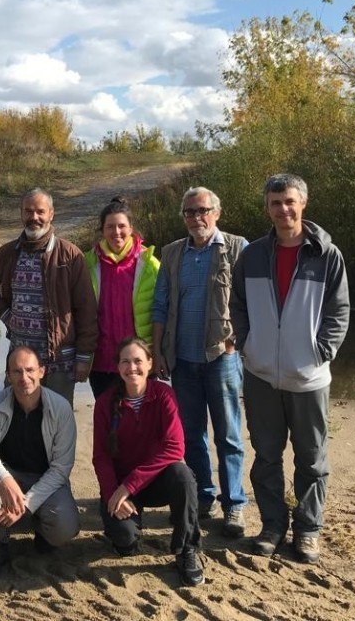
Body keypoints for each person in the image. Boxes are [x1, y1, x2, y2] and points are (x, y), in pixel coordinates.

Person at [231, 173, 350, 564]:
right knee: (265, 455)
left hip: (309, 377)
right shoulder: (251, 256)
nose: (283, 209)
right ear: (267, 208)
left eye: (289, 201)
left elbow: (338, 311)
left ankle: (308, 530)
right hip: (262, 374)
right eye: (275, 203)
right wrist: (249, 345)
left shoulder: (326, 255)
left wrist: (322, 350)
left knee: (311, 459)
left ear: (303, 204)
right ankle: (271, 526)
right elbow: (239, 307)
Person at [151, 186, 249, 538]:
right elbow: (160, 304)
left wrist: (236, 341)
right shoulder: (172, 253)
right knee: (191, 436)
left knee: (229, 435)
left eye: (202, 210)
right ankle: (203, 497)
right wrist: (159, 350)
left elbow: (251, 300)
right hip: (182, 361)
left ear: (217, 212)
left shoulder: (238, 248)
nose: (196, 218)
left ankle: (234, 504)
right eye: (190, 212)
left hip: (221, 358)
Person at [93, 337, 205, 586]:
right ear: (117, 367)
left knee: (183, 476)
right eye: (125, 362)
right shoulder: (104, 403)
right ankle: (129, 530)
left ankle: (187, 549)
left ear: (150, 363)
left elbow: (175, 448)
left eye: (138, 361)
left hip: (154, 482)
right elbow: (101, 457)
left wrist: (129, 485)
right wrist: (113, 492)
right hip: (122, 488)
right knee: (125, 542)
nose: (132, 367)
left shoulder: (164, 395)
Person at [0, 188, 97, 405]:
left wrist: (84, 357)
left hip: (59, 362)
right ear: (21, 213)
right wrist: (4, 313)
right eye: (28, 211)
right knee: (16, 421)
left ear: (51, 214)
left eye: (40, 211)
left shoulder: (70, 255)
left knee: (57, 424)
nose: (34, 217)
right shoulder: (8, 253)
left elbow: (86, 309)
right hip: (19, 360)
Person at [0, 347, 80, 579]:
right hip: (9, 474)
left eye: (30, 370)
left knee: (65, 529)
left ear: (42, 371)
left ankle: (42, 530)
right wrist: (4, 479)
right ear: (8, 376)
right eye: (16, 372)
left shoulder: (61, 408)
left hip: (46, 478)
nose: (24, 377)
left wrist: (26, 505)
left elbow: (61, 469)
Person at [83, 197, 160, 398]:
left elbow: (163, 312)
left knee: (140, 422)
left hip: (139, 362)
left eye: (121, 226)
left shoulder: (150, 264)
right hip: (102, 363)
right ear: (102, 230)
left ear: (131, 228)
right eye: (110, 227)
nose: (116, 232)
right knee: (108, 422)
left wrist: (159, 353)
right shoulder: (87, 264)